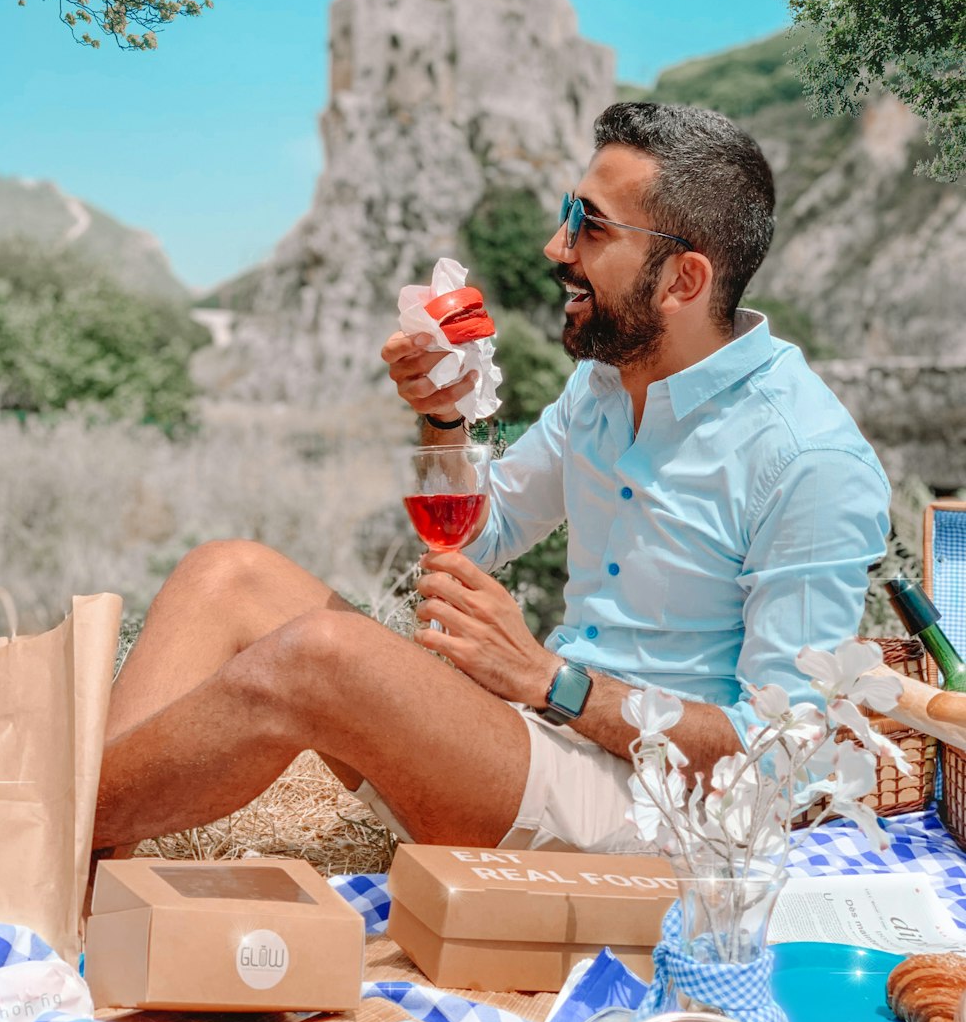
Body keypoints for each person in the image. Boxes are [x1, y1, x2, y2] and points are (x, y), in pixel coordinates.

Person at [93, 102, 889, 856]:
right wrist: (444, 419)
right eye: (568, 210)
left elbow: (787, 761)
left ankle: (23, 827)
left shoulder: (809, 460)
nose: (556, 246)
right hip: (541, 742)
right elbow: (484, 532)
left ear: (684, 280)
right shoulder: (605, 385)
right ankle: (71, 873)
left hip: (657, 812)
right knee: (225, 574)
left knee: (321, 654)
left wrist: (552, 681)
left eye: (591, 225)